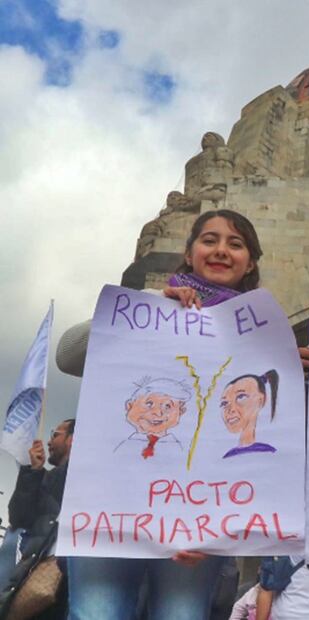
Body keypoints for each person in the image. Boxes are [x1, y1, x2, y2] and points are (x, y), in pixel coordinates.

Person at [57, 209, 268, 619]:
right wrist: (152, 302)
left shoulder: (262, 338)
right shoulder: (145, 310)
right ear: (190, 254)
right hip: (112, 508)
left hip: (197, 524)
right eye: (210, 240)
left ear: (251, 262)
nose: (222, 250)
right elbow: (68, 354)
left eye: (235, 244)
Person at [0, 418, 75, 619]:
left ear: (72, 440)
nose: (49, 441)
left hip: (68, 581)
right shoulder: (43, 478)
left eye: (56, 434)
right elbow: (18, 518)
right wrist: (32, 472)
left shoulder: (77, 478)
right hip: (38, 577)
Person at [115, 377, 192, 459]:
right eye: (149, 404)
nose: (158, 413)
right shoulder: (124, 446)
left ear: (180, 412)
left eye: (167, 406)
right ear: (130, 406)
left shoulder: (179, 449)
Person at [219, 371, 279, 458]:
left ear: (261, 400)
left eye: (241, 397)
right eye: (224, 403)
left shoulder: (269, 452)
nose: (230, 410)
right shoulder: (228, 456)